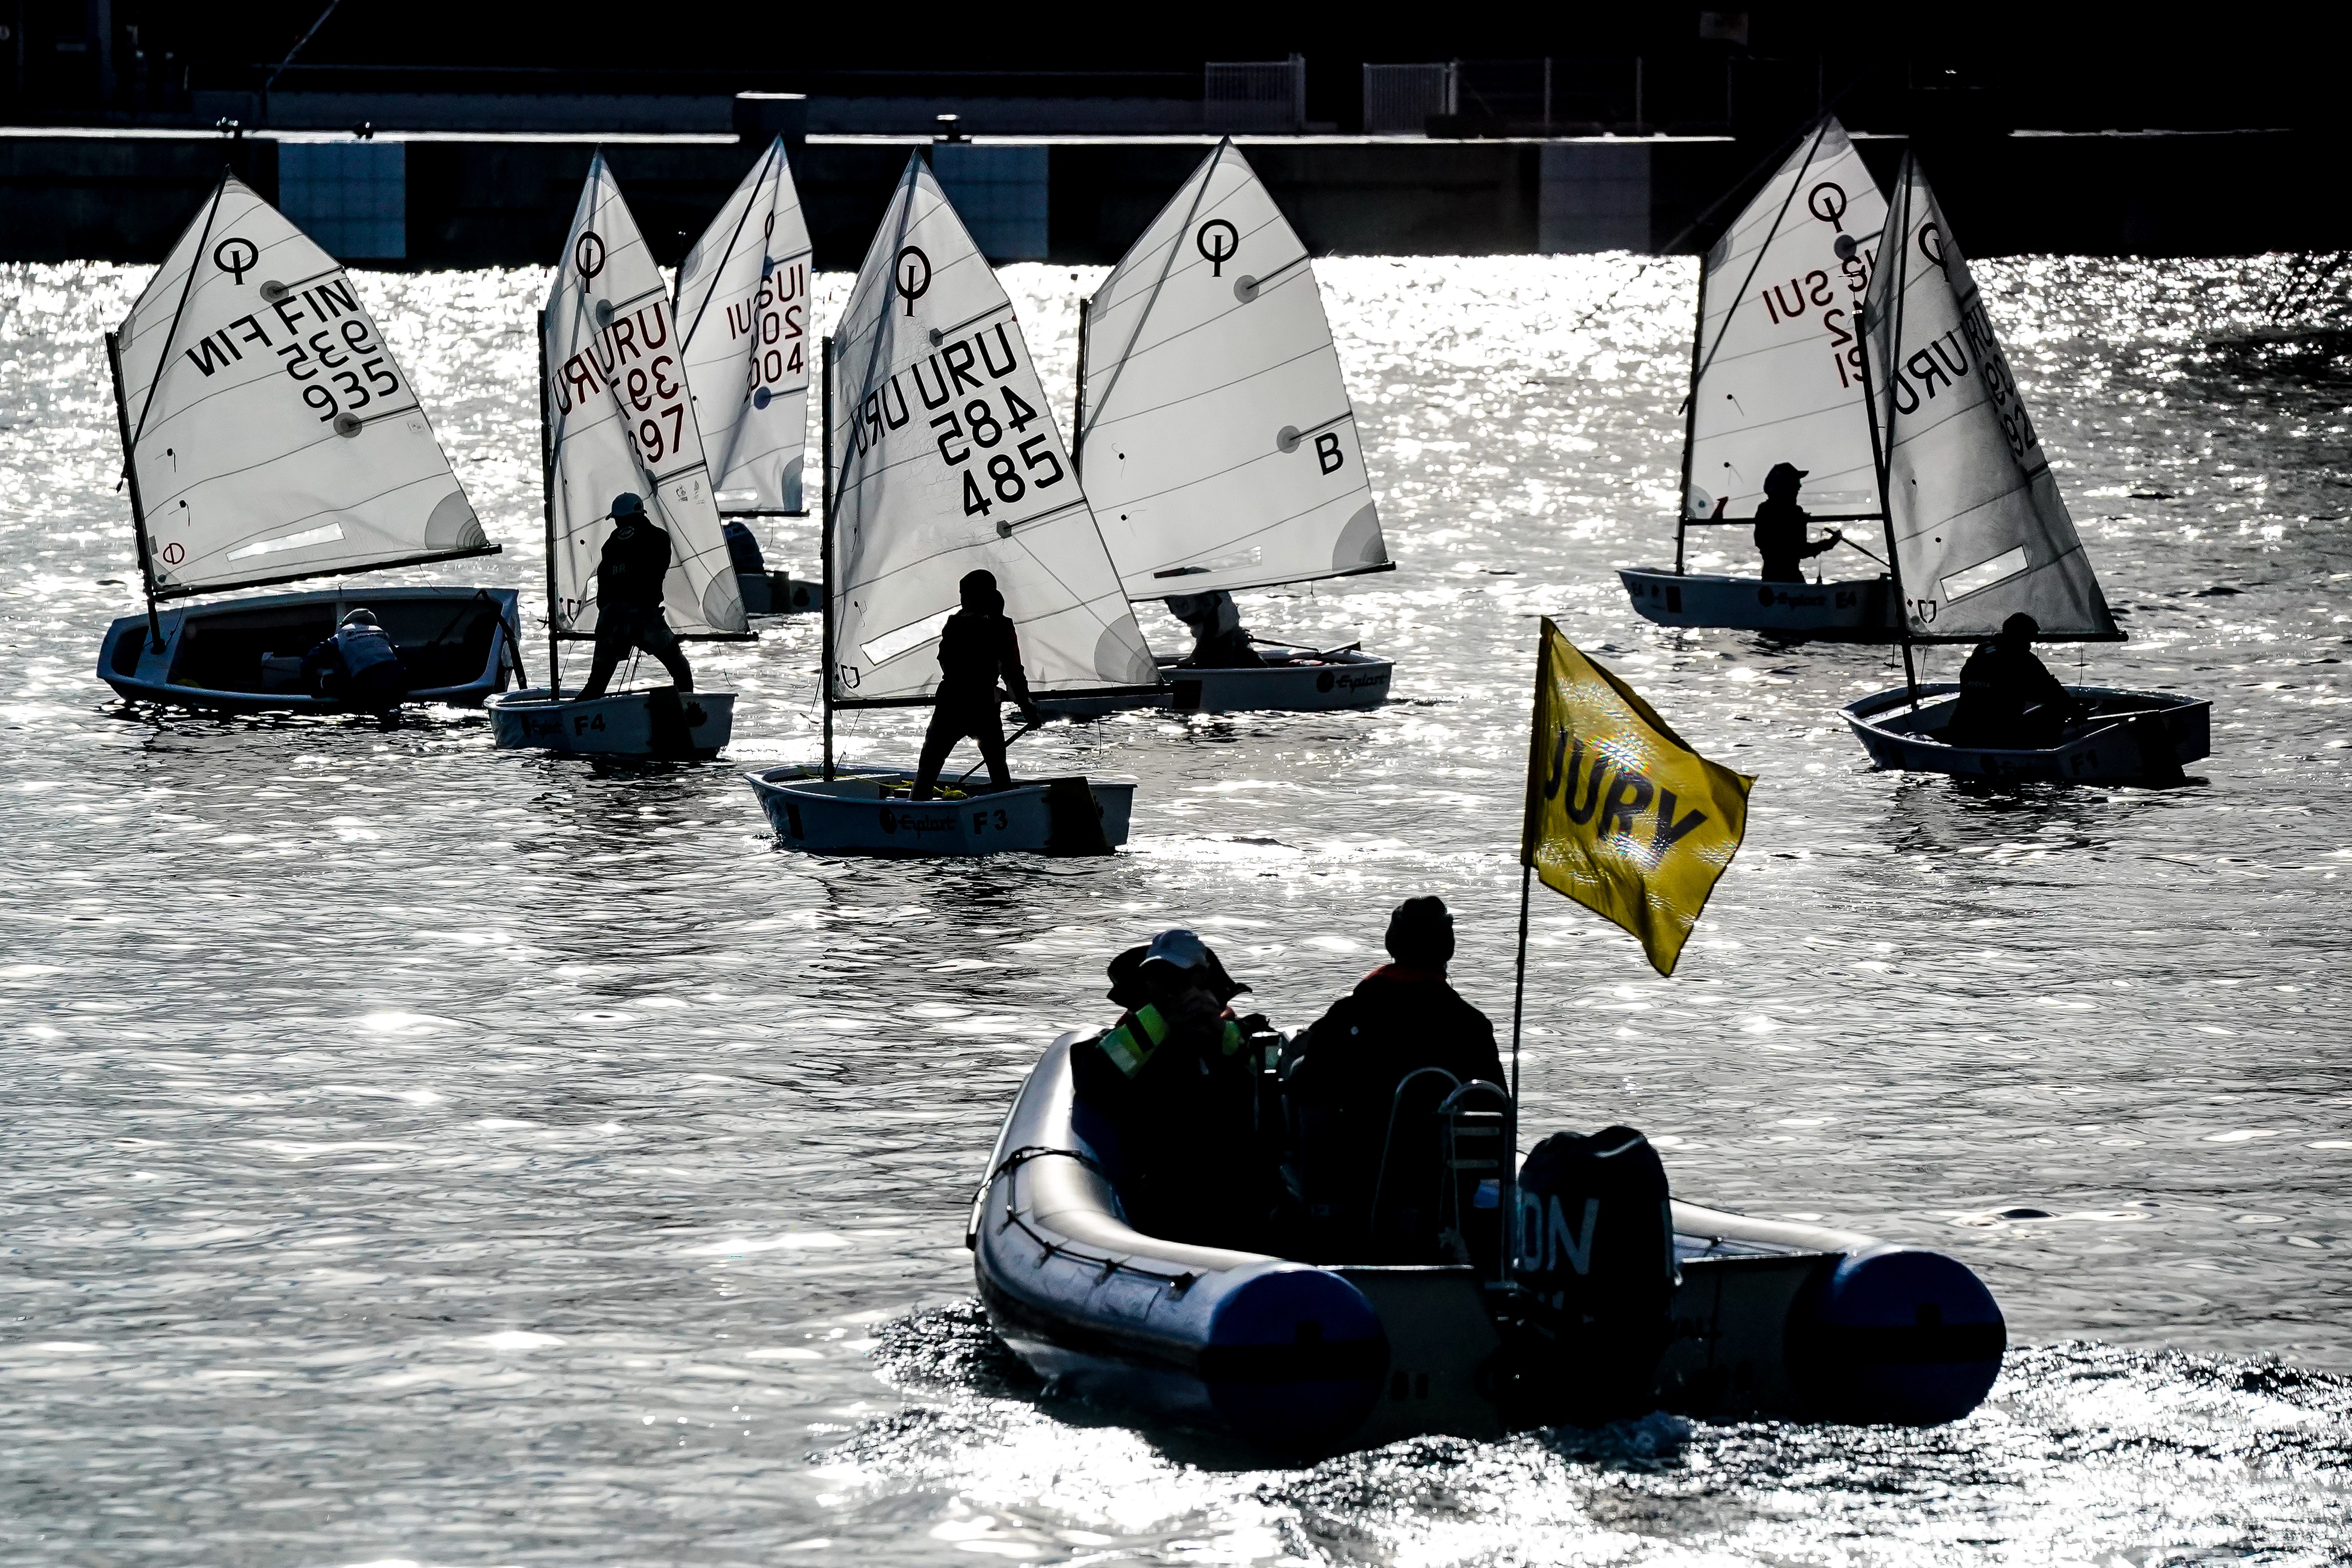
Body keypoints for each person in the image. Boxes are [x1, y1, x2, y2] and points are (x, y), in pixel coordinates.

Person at [1285, 897, 1507, 1251]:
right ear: (1447, 949)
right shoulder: (1471, 1026)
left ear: (1393, 943)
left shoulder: (1347, 1016)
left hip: (1357, 1184)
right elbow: (1494, 1112)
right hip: (1441, 1193)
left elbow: (1307, 1089)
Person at [1070, 928, 1272, 1247]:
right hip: (1166, 1195)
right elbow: (1095, 1082)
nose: (1177, 992)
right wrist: (1162, 1019)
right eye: (1161, 980)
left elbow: (1276, 1074)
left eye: (1185, 980)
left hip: (1245, 1191)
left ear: (1207, 983)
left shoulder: (1250, 1033)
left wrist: (1220, 1034)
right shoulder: (1130, 1040)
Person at [911, 569, 1043, 799]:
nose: (962, 600)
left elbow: (946, 661)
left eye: (965, 595)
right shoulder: (1001, 627)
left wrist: (1018, 701)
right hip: (982, 707)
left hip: (952, 705)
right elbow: (1013, 672)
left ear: (976, 595)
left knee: (928, 770)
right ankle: (1006, 809)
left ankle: (915, 809)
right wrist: (1027, 707)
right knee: (999, 772)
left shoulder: (954, 625)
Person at [575, 492, 695, 701]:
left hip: (610, 617)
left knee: (597, 684)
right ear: (641, 513)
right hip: (644, 616)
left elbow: (603, 582)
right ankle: (689, 712)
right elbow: (659, 570)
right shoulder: (659, 537)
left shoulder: (610, 544)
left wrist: (609, 612)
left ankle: (573, 718)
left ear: (618, 518)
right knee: (680, 669)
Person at [1946, 611, 2086, 749]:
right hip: (2000, 738)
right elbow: (2053, 692)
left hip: (1960, 734)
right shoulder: (2024, 660)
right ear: (2020, 637)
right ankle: (2045, 755)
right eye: (2029, 640)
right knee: (2055, 710)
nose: (2030, 646)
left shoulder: (1981, 652)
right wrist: (2076, 711)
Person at [302, 607, 409, 714]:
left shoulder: (341, 636)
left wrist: (315, 690)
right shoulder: (381, 633)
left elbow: (309, 662)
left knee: (329, 681)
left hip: (368, 688)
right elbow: (403, 658)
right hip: (400, 684)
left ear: (346, 624)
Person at [1751, 462, 1843, 583]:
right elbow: (1799, 550)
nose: (1799, 487)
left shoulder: (1763, 509)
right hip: (1790, 578)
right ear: (1785, 486)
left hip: (1769, 577)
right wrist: (1829, 543)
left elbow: (1764, 544)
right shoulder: (1794, 513)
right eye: (1796, 482)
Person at [1163, 590, 1264, 669]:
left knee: (1231, 657)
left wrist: (1195, 655)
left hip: (1225, 636)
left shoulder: (1197, 580)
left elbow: (1212, 624)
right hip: (1211, 638)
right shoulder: (1167, 588)